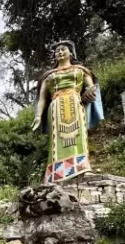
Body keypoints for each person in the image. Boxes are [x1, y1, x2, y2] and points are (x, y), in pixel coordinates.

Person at [32, 42, 103, 184]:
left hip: (76, 103)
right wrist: (38, 116)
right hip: (56, 107)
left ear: (71, 53)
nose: (59, 52)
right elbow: (42, 99)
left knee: (79, 135)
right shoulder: (49, 76)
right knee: (57, 139)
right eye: (56, 50)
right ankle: (56, 173)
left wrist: (90, 93)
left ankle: (83, 168)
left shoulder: (80, 70)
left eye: (63, 49)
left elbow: (91, 87)